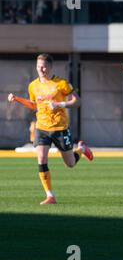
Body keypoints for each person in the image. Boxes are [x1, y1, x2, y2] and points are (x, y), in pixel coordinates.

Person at [7, 53, 93, 205]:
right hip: (42, 127)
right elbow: (34, 105)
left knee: (70, 164)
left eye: (44, 66)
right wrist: (17, 99)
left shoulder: (61, 83)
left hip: (60, 128)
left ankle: (81, 149)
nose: (42, 69)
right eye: (39, 66)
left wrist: (60, 105)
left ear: (51, 67)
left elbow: (77, 102)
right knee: (41, 158)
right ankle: (50, 195)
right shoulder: (33, 85)